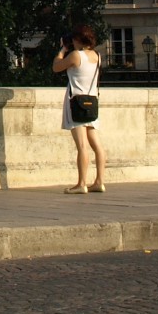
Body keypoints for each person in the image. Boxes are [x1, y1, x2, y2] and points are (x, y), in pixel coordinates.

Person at [53, 25, 105, 193]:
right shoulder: (98, 56)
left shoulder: (76, 55)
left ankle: (81, 183)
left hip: (76, 102)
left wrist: (62, 50)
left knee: (82, 146)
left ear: (77, 39)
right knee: (97, 145)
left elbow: (56, 67)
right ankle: (99, 181)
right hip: (92, 102)